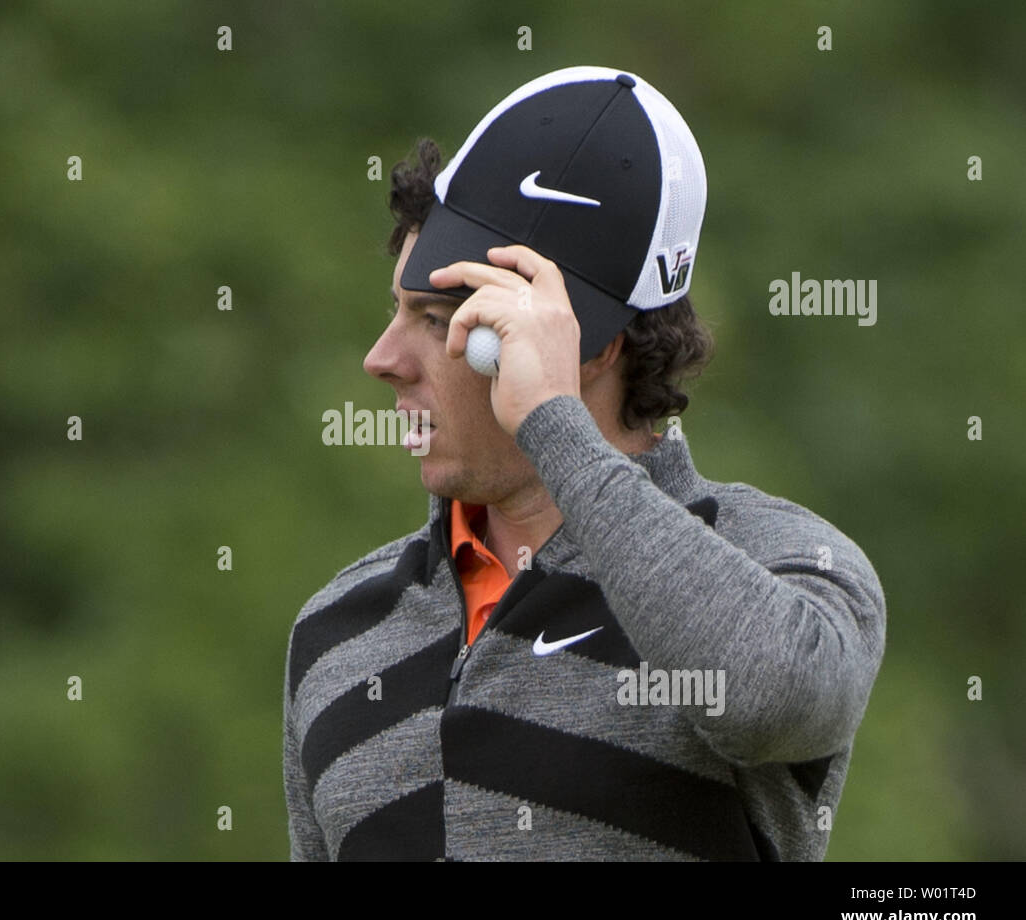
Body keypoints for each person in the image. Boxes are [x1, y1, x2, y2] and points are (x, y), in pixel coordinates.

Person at [282, 66, 885, 861]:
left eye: (436, 319)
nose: (382, 359)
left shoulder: (786, 564)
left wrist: (553, 428)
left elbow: (768, 698)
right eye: (394, 312)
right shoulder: (337, 629)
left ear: (591, 343)